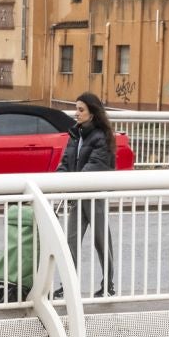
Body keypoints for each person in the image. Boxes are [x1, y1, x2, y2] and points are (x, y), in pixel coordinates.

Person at [56, 91, 117, 297]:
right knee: (70, 242)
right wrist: (57, 180)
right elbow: (65, 163)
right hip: (77, 194)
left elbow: (94, 167)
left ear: (92, 113)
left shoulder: (101, 137)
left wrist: (71, 183)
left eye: (81, 110)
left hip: (93, 196)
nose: (77, 113)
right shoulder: (76, 135)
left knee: (101, 241)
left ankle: (108, 285)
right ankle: (69, 285)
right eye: (76, 109)